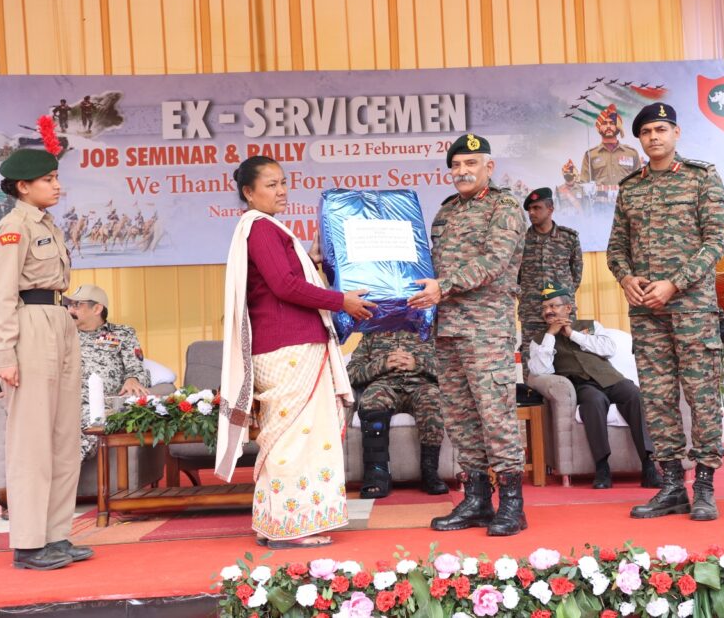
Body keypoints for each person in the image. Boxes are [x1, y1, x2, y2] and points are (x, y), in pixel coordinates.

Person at [216, 155, 375, 549]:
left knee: (290, 435)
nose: (281, 190)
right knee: (295, 438)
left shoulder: (264, 228)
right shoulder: (261, 228)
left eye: (283, 182)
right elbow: (285, 286)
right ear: (248, 192)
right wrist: (341, 301)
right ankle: (292, 525)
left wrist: (313, 261)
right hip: (288, 347)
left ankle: (275, 522)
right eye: (271, 185)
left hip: (287, 344)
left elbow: (284, 280)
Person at [606, 102, 724, 522]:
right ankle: (673, 485)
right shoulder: (630, 187)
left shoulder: (702, 177)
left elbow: (716, 241)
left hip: (692, 309)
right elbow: (616, 248)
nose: (653, 137)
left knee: (701, 396)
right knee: (657, 399)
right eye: (646, 132)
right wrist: (625, 277)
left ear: (676, 133)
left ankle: (705, 487)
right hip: (647, 313)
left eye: (661, 129)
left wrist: (674, 283)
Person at [408, 133, 527, 536]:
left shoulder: (504, 208)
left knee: (495, 416)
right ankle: (476, 499)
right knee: (460, 419)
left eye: (471, 163)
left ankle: (512, 504)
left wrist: (443, 286)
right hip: (448, 328)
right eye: (456, 165)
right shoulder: (445, 213)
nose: (462, 171)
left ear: (489, 167)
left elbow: (494, 261)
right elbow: (427, 264)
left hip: (486, 329)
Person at [0, 148, 88, 570]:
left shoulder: (47, 224)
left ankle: (55, 534)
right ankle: (29, 543)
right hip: (29, 324)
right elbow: (3, 295)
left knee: (65, 437)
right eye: (48, 179)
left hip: (59, 319)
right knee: (32, 439)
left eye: (56, 177)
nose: (57, 185)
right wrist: (4, 352)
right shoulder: (12, 228)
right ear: (23, 186)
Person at [528, 283, 661, 489]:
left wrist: (572, 334)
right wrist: (550, 336)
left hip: (611, 379)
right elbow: (540, 370)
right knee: (594, 402)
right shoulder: (540, 340)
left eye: (553, 306)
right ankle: (602, 467)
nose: (548, 311)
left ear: (568, 308)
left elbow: (608, 348)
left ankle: (649, 464)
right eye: (545, 308)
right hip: (582, 385)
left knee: (635, 395)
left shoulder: (591, 325)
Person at [346, 330, 447, 498]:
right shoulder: (371, 335)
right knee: (372, 398)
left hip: (421, 387)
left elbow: (450, 371)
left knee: (433, 398)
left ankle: (430, 472)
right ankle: (377, 474)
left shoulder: (429, 332)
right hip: (385, 387)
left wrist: (418, 364)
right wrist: (383, 364)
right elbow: (351, 374)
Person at [65, 284, 151, 462]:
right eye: (69, 305)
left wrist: (132, 379)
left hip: (103, 405)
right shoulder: (62, 335)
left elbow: (136, 368)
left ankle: (58, 471)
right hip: (67, 402)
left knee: (90, 422)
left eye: (77, 305)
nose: (70, 310)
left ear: (97, 308)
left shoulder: (122, 333)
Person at [517, 187, 583, 372]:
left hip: (562, 312)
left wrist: (561, 301)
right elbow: (515, 276)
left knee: (566, 356)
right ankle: (533, 391)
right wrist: (525, 296)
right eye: (529, 209)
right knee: (532, 360)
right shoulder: (521, 240)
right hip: (532, 312)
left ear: (550, 209)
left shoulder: (568, 238)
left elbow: (576, 274)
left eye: (537, 208)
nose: (532, 213)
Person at [580, 104, 641, 205]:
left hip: (626, 204)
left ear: (618, 126)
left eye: (612, 123)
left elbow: (639, 182)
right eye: (604, 123)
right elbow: (584, 184)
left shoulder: (631, 153)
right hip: (600, 206)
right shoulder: (590, 155)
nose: (608, 126)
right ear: (599, 127)